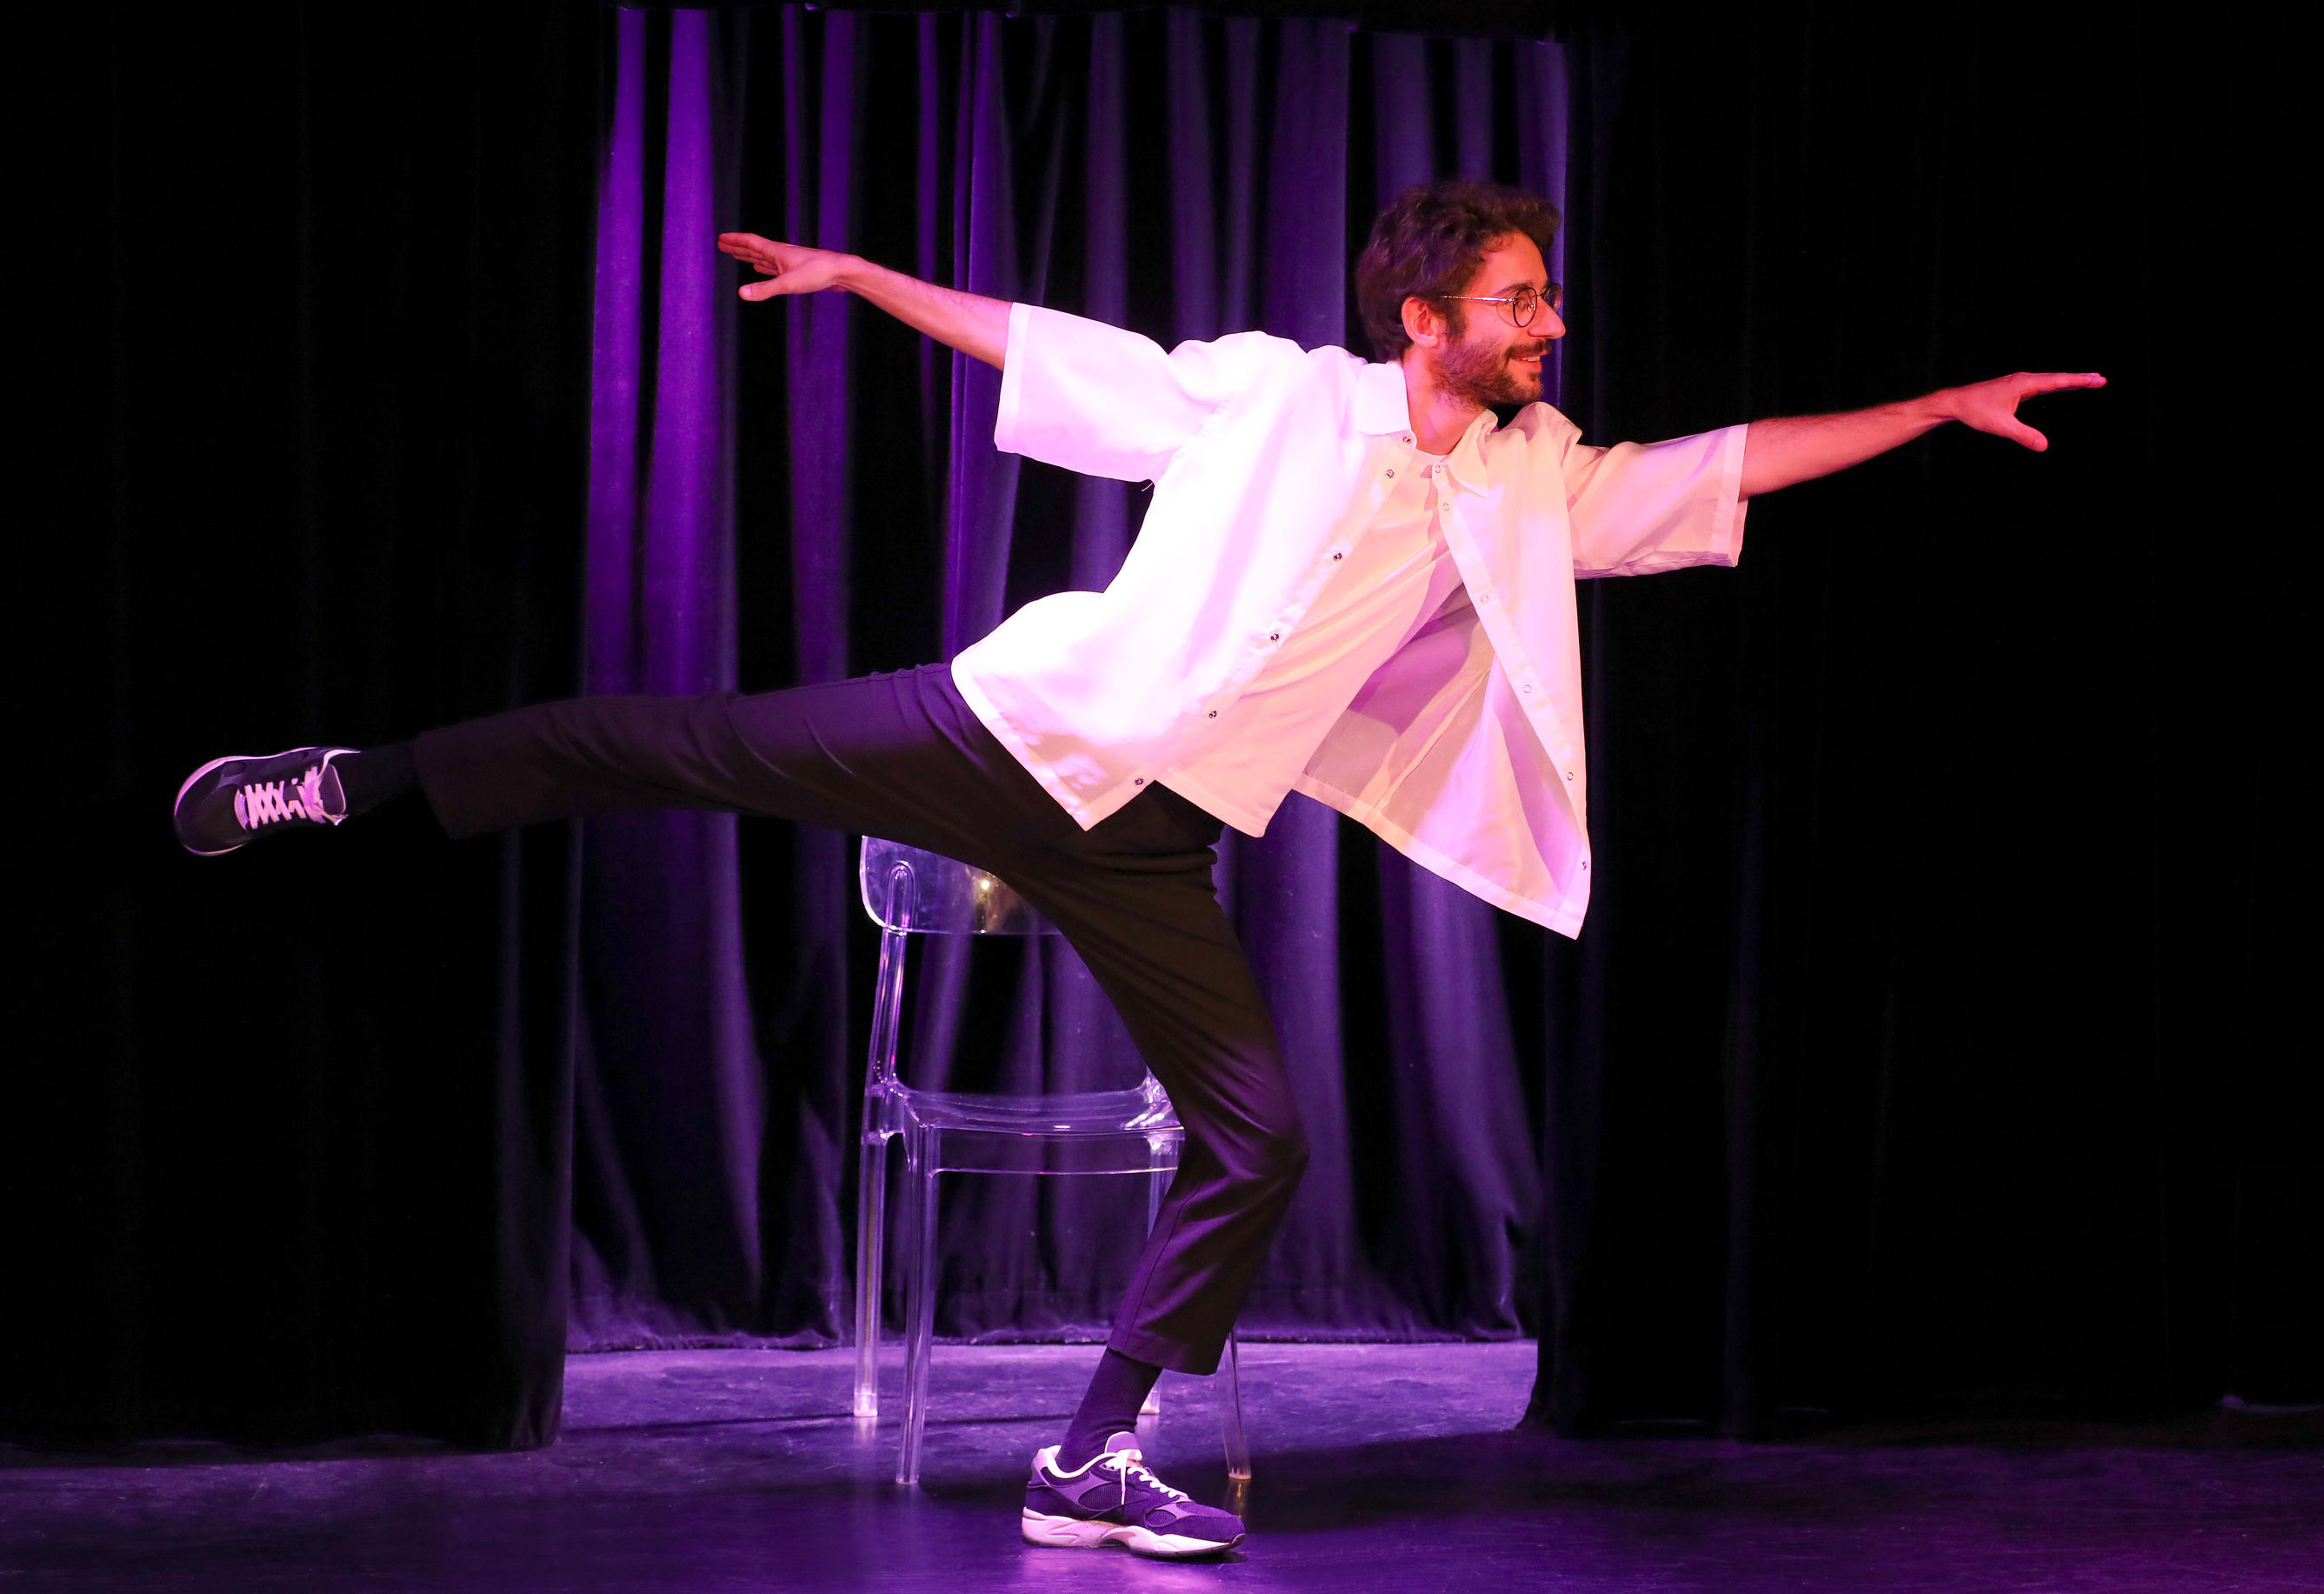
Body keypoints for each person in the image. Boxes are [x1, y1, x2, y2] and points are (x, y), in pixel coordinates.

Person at [172, 180, 2100, 1562]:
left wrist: (1930, 410)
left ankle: (1086, 1457)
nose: (1550, 323)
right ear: (1424, 317)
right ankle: (348, 781)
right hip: (1005, 729)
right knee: (665, 738)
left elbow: (1726, 463)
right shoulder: (1273, 393)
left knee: (1258, 1135)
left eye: (1548, 298)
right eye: (1521, 299)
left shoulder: (1533, 480)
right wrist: (863, 277)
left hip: (1151, 838)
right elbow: (1057, 352)